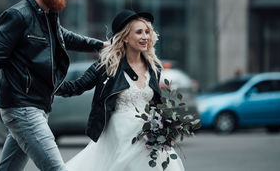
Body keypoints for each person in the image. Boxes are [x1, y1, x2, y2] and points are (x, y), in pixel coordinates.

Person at [0, 0, 106, 171]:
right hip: (23, 109)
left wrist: (102, 46)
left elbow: (66, 38)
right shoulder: (18, 16)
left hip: (38, 107)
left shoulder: (48, 17)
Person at [56, 10, 185, 171]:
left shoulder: (154, 67)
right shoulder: (106, 65)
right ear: (125, 37)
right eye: (139, 32)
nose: (145, 36)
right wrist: (43, 82)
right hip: (118, 134)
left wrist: (165, 124)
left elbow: (155, 103)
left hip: (147, 137)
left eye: (147, 32)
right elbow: (75, 87)